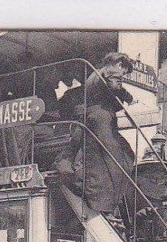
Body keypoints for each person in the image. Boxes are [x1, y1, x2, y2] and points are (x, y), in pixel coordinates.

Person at [54, 52, 136, 215]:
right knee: (120, 157)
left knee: (105, 157)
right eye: (125, 71)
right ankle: (106, 201)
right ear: (120, 65)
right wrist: (131, 99)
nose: (123, 75)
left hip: (92, 118)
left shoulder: (96, 73)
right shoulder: (113, 71)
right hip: (101, 119)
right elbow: (115, 87)